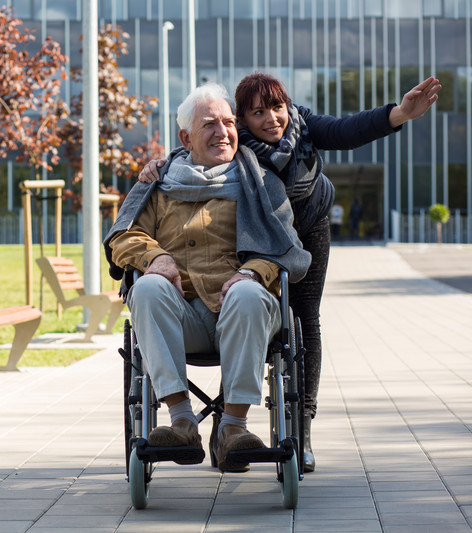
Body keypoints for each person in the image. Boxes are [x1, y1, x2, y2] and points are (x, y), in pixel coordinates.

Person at [137, 73, 441, 473]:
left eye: (276, 107)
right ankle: (199, 425)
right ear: (243, 121)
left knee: (299, 316)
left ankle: (284, 429)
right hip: (229, 268)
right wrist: (162, 167)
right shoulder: (225, 150)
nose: (271, 118)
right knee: (198, 294)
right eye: (257, 112)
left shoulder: (289, 141)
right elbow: (190, 155)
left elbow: (348, 129)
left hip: (304, 225)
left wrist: (399, 114)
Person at [103, 82, 311, 473]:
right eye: (210, 124)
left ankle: (233, 427)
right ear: (185, 137)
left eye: (229, 122)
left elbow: (288, 248)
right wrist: (157, 257)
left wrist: (253, 271)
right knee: (146, 287)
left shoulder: (262, 183)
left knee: (248, 295)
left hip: (245, 313)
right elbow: (123, 235)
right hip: (182, 317)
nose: (223, 132)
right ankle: (181, 421)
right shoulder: (159, 183)